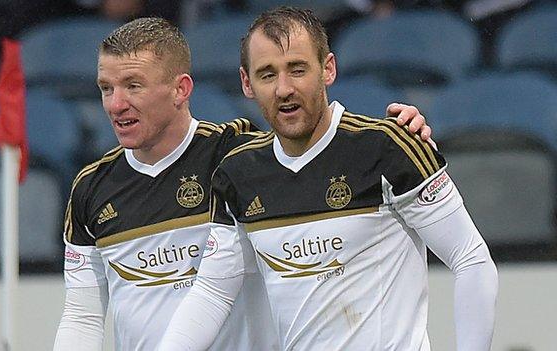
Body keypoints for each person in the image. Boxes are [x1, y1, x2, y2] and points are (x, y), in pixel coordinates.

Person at [53, 16, 433, 351]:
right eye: (106, 88)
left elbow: (316, 141)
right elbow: (83, 316)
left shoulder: (240, 158)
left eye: (133, 86)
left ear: (181, 89)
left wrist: (404, 130)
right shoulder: (91, 187)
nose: (116, 104)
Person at [159, 6, 498, 351]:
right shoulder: (238, 174)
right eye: (267, 74)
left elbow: (470, 258)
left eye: (297, 69)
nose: (284, 89)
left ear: (328, 69)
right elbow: (213, 294)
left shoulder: (388, 147)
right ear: (247, 83)